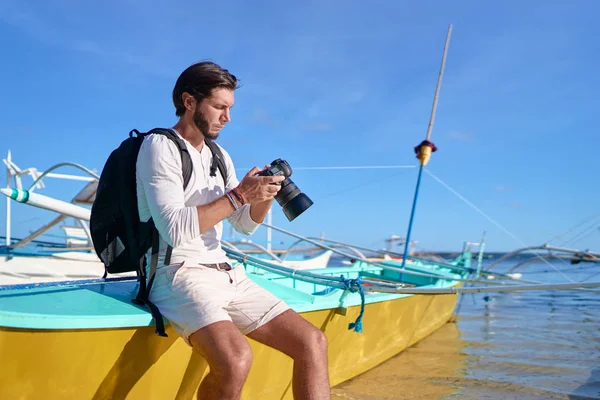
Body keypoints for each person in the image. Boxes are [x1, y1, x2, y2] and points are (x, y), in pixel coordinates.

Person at [135, 61, 331, 400]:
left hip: (225, 273)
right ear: (189, 101)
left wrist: (263, 195)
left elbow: (243, 226)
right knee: (236, 360)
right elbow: (174, 230)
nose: (227, 117)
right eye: (220, 107)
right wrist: (240, 194)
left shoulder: (219, 155)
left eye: (230, 108)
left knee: (312, 342)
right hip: (177, 274)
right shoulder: (160, 146)